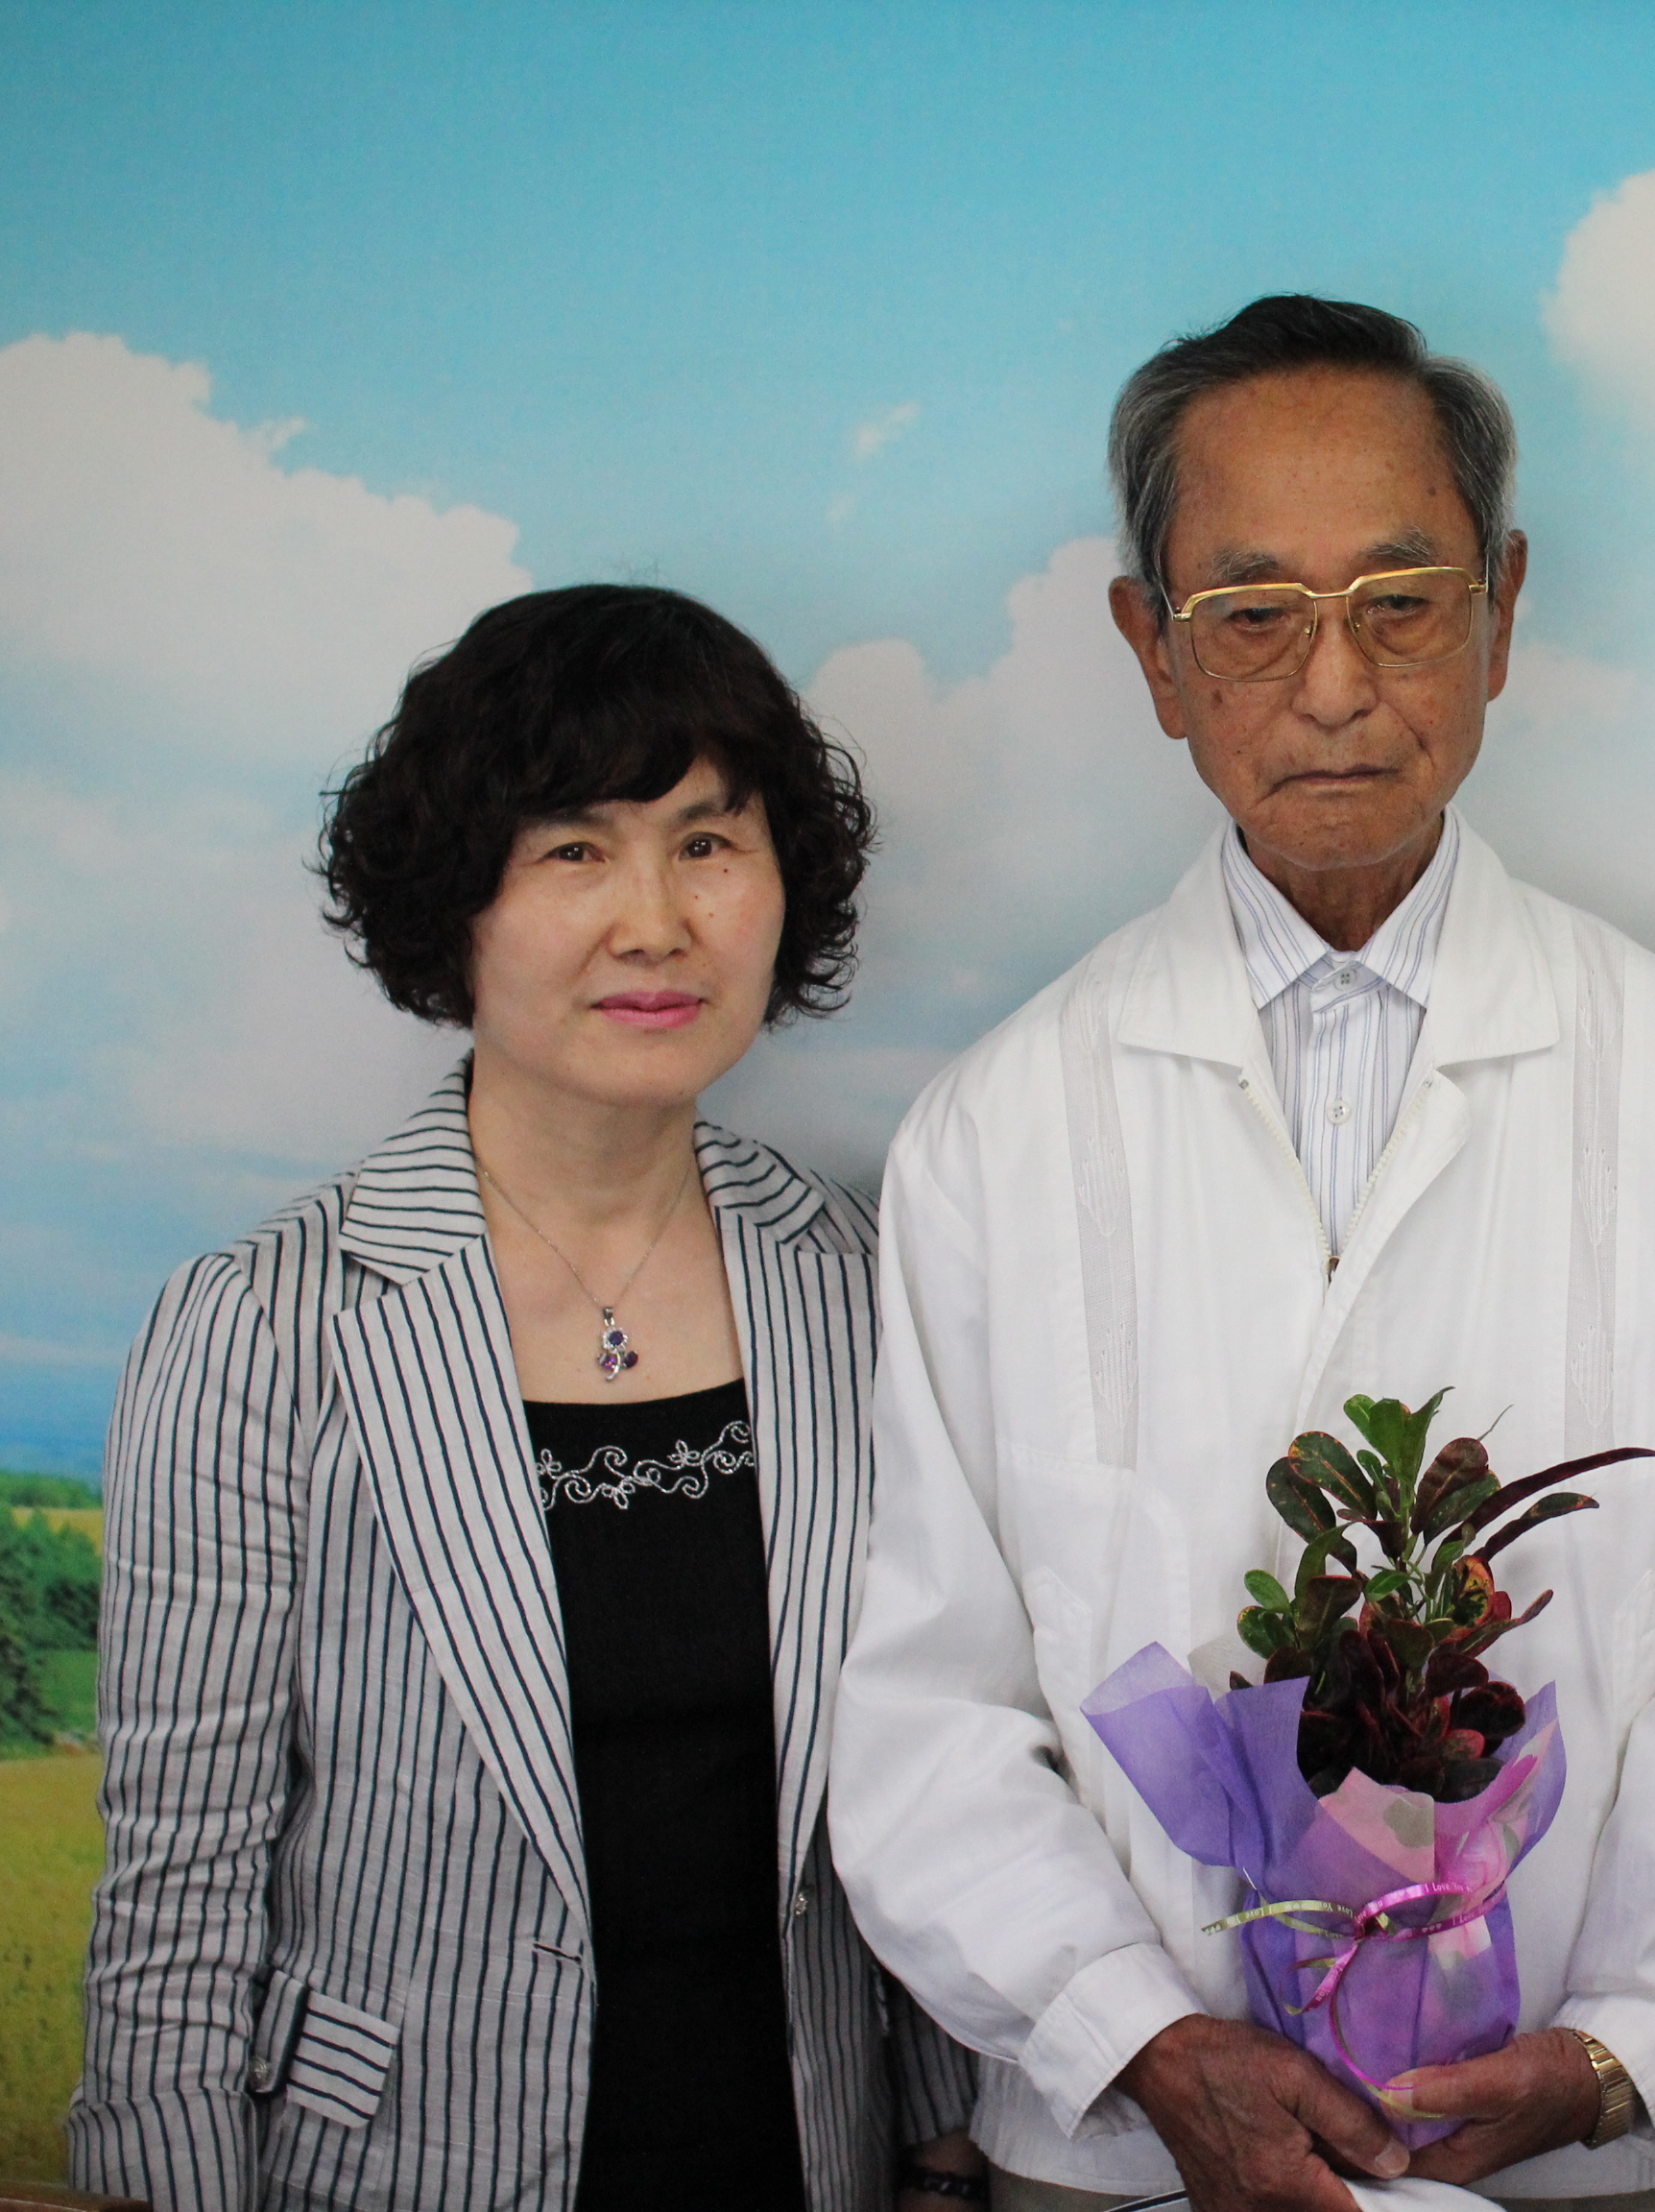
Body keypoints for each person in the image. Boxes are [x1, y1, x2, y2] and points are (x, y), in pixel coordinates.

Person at [829, 296, 1655, 2212]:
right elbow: (930, 1701)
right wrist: (1143, 2039)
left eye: (1401, 598)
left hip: (1582, 2155)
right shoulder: (996, 1130)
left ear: (1501, 612)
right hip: (1130, 2153)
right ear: (1154, 650)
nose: (1337, 683)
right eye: (1253, 612)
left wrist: (1629, 2047)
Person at [70, 586, 978, 2212]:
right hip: (392, 2172)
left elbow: (931, 1778)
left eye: (709, 842)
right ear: (457, 899)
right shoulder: (266, 1330)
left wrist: (944, 2151)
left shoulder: (861, 1282)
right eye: (574, 850)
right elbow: (178, 1906)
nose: (657, 921)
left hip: (801, 2159)